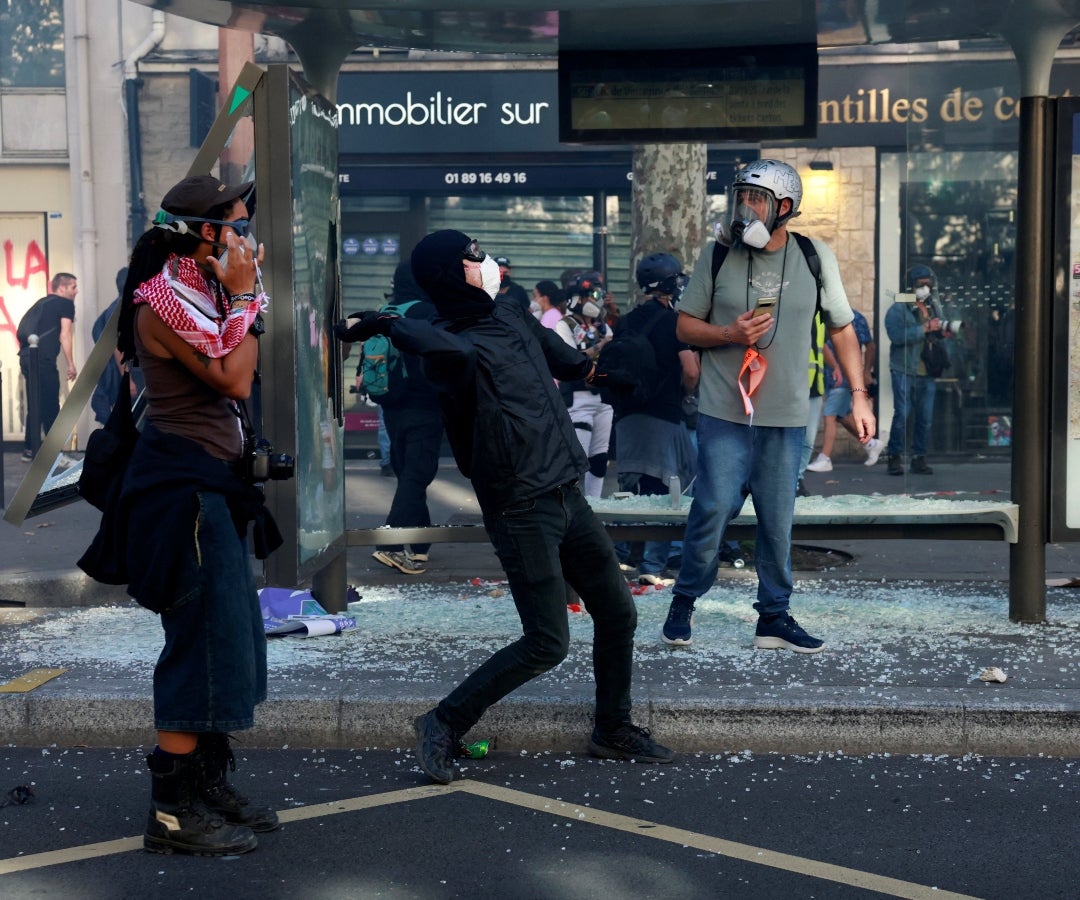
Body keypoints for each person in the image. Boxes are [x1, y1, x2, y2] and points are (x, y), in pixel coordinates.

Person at [334, 229, 674, 785]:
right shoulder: (444, 344)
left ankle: (613, 727)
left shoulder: (511, 312)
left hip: (565, 488)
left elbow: (563, 359)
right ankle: (443, 721)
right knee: (547, 641)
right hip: (519, 503)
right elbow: (453, 351)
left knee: (618, 612)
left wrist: (604, 369)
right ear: (450, 275)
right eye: (473, 257)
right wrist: (389, 324)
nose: (486, 262)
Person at [82, 174, 281, 855]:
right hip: (182, 495)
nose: (244, 235)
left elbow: (239, 354)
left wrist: (242, 297)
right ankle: (170, 812)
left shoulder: (204, 289)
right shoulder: (160, 302)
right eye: (235, 223)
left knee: (233, 643)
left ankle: (205, 783)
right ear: (203, 233)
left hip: (214, 486)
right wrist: (248, 298)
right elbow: (234, 378)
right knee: (200, 646)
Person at [660, 159, 875, 653]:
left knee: (777, 521)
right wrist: (727, 333)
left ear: (785, 207)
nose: (745, 207)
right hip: (723, 410)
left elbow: (842, 328)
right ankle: (684, 602)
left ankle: (773, 617)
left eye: (756, 199)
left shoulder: (814, 256)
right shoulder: (717, 254)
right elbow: (684, 326)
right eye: (741, 197)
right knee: (713, 508)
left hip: (786, 415)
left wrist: (860, 396)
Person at [612, 252, 699, 586]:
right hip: (663, 413)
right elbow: (690, 370)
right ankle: (652, 565)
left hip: (627, 415)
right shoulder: (674, 322)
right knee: (667, 491)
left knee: (630, 488)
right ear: (671, 284)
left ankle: (621, 556)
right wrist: (686, 393)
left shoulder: (625, 321)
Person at [368, 261, 445, 575]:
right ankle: (391, 544)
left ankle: (420, 545)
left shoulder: (387, 310)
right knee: (417, 474)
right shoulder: (427, 312)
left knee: (410, 475)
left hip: (392, 407)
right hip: (424, 406)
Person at [884, 264, 950, 476]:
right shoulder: (898, 308)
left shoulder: (932, 306)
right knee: (902, 414)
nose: (925, 289)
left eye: (928, 285)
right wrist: (924, 328)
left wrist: (942, 331)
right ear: (910, 286)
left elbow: (937, 332)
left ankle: (919, 458)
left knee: (925, 417)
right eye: (921, 284)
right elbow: (896, 336)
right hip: (904, 368)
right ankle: (894, 456)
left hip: (927, 370)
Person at [805, 308, 884, 473]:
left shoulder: (855, 318)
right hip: (828, 376)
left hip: (845, 376)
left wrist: (865, 372)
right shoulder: (821, 316)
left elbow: (870, 346)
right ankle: (871, 444)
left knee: (830, 414)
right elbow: (822, 346)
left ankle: (825, 458)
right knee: (842, 415)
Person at [562, 276, 614, 497]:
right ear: (578, 299)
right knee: (578, 456)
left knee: (600, 456)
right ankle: (570, 504)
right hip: (578, 397)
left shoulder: (601, 325)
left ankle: (595, 503)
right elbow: (570, 358)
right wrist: (600, 346)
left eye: (598, 295)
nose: (596, 300)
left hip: (602, 397)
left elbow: (613, 350)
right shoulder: (565, 325)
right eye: (592, 295)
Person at [18, 271, 78, 461]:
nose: (76, 291)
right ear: (62, 288)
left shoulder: (42, 303)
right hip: (43, 359)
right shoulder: (66, 304)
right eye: (73, 287)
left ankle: (30, 450)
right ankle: (54, 455)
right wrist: (71, 364)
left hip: (27, 357)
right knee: (51, 405)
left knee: (35, 404)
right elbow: (65, 334)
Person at [90, 267, 132, 426]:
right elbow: (117, 346)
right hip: (122, 372)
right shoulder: (120, 309)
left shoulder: (118, 307)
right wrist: (127, 379)